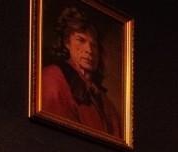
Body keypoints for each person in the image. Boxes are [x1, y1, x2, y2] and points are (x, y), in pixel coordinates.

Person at [40, 5, 122, 137]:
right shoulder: (52, 78)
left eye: (93, 45)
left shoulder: (102, 98)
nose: (89, 50)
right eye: (81, 40)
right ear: (67, 42)